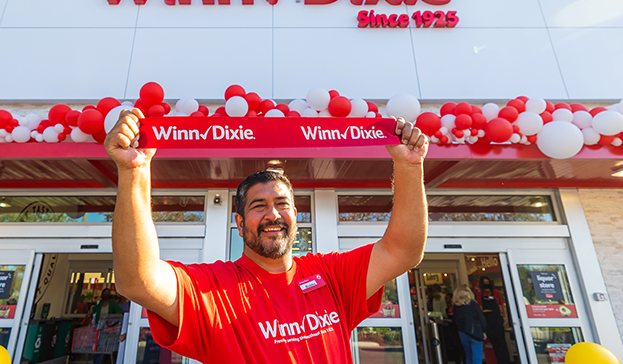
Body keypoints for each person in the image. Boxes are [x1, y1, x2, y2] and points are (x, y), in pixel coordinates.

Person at [106, 109, 428, 364]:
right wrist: (134, 173)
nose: (273, 215)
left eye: (282, 204)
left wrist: (409, 167)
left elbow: (403, 251)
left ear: (296, 216)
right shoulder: (211, 290)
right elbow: (138, 280)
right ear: (239, 221)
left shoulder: (331, 276)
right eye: (259, 206)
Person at [476, 276, 512, 364]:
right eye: (484, 283)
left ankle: (506, 362)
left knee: (502, 343)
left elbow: (502, 306)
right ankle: (499, 361)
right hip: (487, 320)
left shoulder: (496, 292)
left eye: (487, 282)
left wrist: (506, 319)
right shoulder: (480, 294)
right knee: (495, 344)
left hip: (497, 318)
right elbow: (480, 309)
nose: (486, 284)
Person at [452, 284, 486, 364]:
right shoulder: (473, 304)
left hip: (462, 333)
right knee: (476, 357)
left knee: (469, 356)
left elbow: (456, 321)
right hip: (475, 332)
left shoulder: (456, 307)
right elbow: (482, 319)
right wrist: (484, 331)